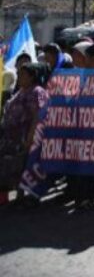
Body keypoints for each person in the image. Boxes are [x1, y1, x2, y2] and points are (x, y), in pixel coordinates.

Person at [0, 62, 48, 200]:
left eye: (22, 75)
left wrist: (30, 138)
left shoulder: (36, 92)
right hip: (10, 138)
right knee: (10, 168)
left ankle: (25, 198)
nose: (19, 77)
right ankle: (12, 197)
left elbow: (37, 117)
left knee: (22, 167)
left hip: (25, 138)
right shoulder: (21, 91)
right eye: (19, 74)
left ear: (32, 77)